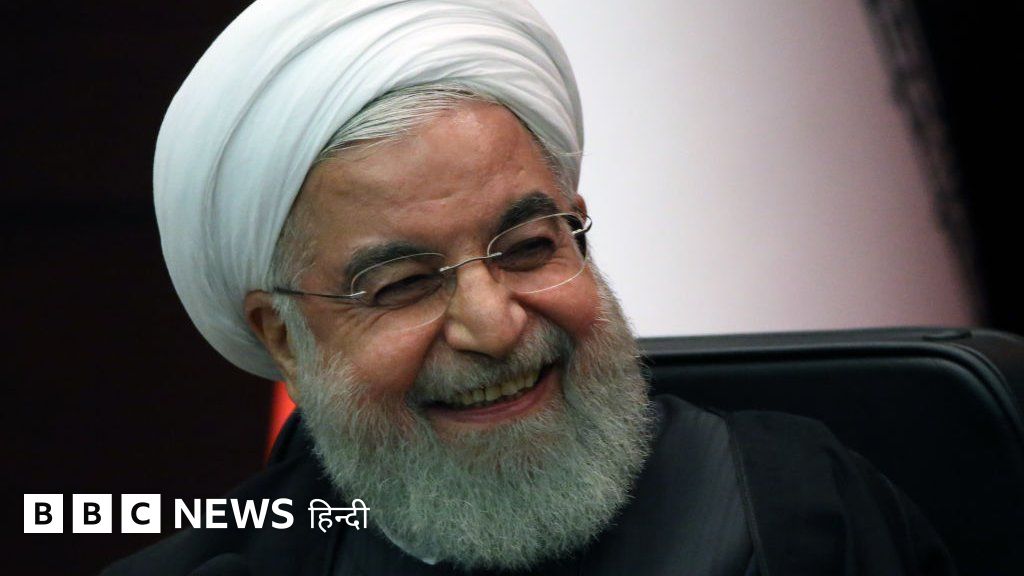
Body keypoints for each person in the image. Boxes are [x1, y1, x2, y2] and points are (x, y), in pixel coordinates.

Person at [106, 1, 957, 574]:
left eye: (525, 248)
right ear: (282, 334)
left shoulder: (796, 511)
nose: (494, 325)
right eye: (402, 284)